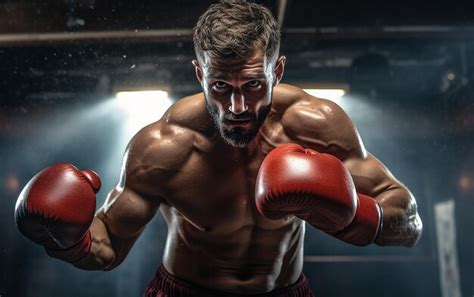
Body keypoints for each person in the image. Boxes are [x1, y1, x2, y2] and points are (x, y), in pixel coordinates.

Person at [14, 1, 423, 296]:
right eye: (221, 88)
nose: (238, 107)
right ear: (199, 74)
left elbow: (410, 222)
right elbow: (107, 247)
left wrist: (358, 216)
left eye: (253, 86)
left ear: (276, 71)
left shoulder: (318, 126)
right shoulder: (163, 146)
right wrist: (66, 240)